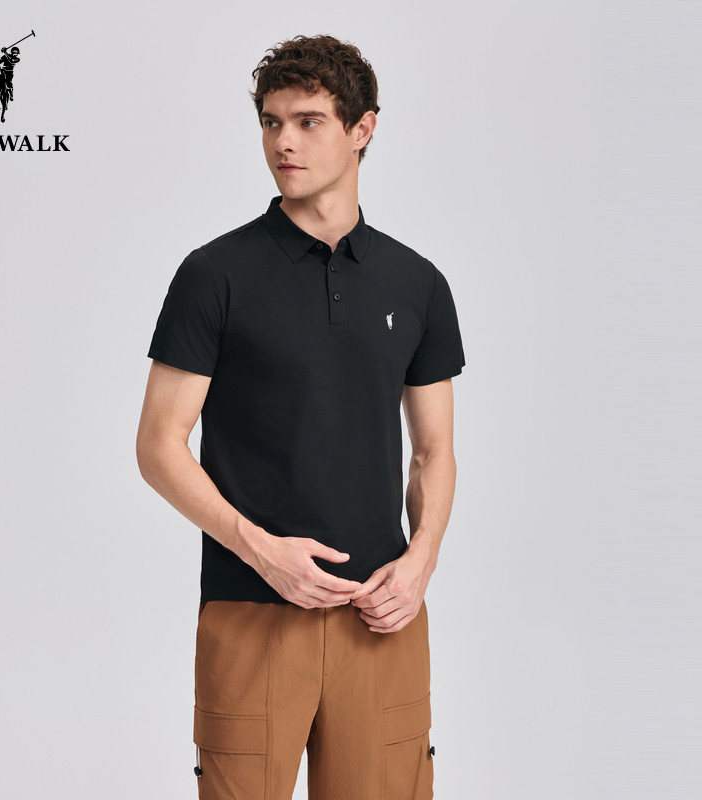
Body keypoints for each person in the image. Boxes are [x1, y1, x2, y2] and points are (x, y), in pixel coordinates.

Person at [136, 33, 466, 800]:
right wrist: (261, 551)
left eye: (309, 121)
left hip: (380, 616)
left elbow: (434, 452)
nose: (283, 142)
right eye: (271, 121)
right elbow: (158, 446)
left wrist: (421, 561)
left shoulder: (417, 283)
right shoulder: (214, 274)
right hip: (252, 612)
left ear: (362, 129)